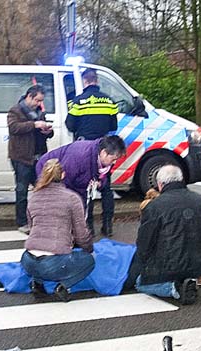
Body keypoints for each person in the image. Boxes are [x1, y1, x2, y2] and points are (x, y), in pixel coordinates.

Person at [135, 165, 201, 305]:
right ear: (181, 179)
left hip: (171, 265)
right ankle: (189, 280)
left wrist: (144, 264)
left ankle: (174, 288)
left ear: (160, 184)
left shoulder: (154, 206)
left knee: (140, 283)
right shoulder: (200, 201)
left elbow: (144, 243)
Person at [20, 159, 95, 301]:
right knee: (88, 261)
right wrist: (89, 249)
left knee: (40, 263)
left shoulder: (33, 197)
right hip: (53, 264)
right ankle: (63, 286)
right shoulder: (72, 198)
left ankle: (38, 283)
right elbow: (81, 234)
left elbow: (32, 227)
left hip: (27, 261)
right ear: (63, 175)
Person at [35, 135, 126, 237]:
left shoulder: (101, 160)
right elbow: (64, 183)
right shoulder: (80, 156)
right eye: (113, 159)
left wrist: (99, 183)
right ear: (104, 153)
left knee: (79, 207)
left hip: (77, 182)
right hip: (50, 172)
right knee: (64, 207)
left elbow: (101, 177)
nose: (114, 162)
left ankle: (78, 234)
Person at [65, 69, 119, 236]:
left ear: (85, 81)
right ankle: (108, 225)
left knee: (86, 188)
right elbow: (113, 126)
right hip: (105, 149)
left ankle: (88, 226)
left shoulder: (78, 101)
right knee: (106, 188)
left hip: (86, 149)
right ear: (96, 80)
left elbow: (70, 125)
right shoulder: (109, 101)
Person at [8, 85, 54, 233]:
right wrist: (34, 124)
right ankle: (22, 222)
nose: (39, 103)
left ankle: (40, 219)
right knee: (21, 191)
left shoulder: (39, 112)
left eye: (41, 101)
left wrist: (47, 131)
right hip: (21, 157)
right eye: (37, 100)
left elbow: (44, 134)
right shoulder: (15, 110)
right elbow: (14, 128)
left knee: (43, 189)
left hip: (39, 157)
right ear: (29, 96)